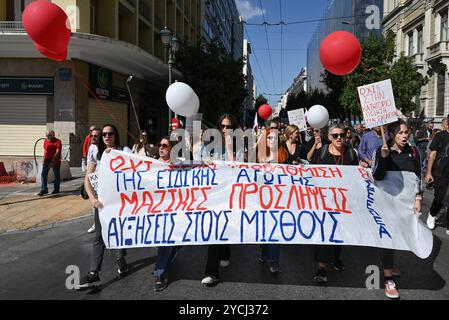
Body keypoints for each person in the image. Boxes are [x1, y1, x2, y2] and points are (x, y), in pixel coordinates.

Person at [77, 124, 132, 290]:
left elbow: (135, 171)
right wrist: (93, 199)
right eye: (104, 134)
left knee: (119, 232)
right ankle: (94, 273)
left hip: (120, 203)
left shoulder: (125, 151)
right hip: (101, 203)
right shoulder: (95, 151)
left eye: (110, 134)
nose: (107, 137)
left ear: (116, 135)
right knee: (99, 237)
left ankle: (121, 258)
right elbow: (88, 178)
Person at [372, 120, 423, 299]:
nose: (404, 135)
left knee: (399, 235)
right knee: (387, 237)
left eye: (406, 132)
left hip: (405, 204)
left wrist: (418, 197)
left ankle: (389, 264)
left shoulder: (413, 152)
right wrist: (384, 158)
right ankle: (388, 279)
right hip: (387, 203)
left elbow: (418, 175)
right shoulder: (381, 151)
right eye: (400, 132)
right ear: (392, 135)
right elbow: (376, 175)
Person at [311, 123, 359, 285]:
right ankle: (322, 268)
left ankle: (336, 258)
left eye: (342, 135)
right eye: (335, 135)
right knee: (323, 233)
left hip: (343, 201)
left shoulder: (351, 154)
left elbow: (356, 178)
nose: (339, 138)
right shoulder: (321, 153)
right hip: (323, 201)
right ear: (329, 137)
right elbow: (311, 175)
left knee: (339, 231)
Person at [201, 114, 242, 287]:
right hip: (213, 193)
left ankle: (225, 252)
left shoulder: (239, 145)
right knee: (214, 230)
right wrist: (205, 160)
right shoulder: (210, 143)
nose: (225, 130)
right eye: (223, 126)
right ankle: (212, 273)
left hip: (230, 193)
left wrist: (231, 148)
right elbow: (200, 160)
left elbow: (237, 168)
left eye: (229, 127)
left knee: (222, 227)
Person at [256, 129, 290, 274]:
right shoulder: (258, 155)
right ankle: (264, 252)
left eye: (275, 138)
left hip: (278, 199)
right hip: (260, 198)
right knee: (264, 228)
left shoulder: (284, 155)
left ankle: (274, 262)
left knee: (275, 229)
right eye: (269, 137)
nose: (272, 140)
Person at [153, 137, 180, 292]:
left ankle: (160, 273)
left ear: (171, 149)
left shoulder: (178, 165)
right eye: (159, 144)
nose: (161, 147)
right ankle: (162, 268)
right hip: (156, 209)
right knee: (164, 240)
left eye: (164, 145)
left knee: (166, 240)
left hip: (173, 209)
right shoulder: (150, 165)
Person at [425, 118, 449, 232]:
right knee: (440, 196)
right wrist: (428, 172)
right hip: (440, 171)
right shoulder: (440, 136)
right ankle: (432, 214)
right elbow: (432, 154)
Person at [38, 130, 62, 196]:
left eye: (49, 136)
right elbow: (46, 151)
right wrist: (44, 159)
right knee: (43, 174)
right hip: (47, 160)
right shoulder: (45, 141)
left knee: (56, 175)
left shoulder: (58, 141)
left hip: (55, 159)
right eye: (47, 136)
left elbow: (57, 152)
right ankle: (44, 189)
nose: (48, 137)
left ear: (53, 135)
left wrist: (52, 161)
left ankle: (56, 189)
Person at [86, 128, 101, 234]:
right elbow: (89, 161)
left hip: (100, 179)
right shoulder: (91, 147)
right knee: (94, 202)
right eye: (92, 136)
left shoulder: (101, 148)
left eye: (96, 136)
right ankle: (96, 223)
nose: (93, 138)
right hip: (92, 178)